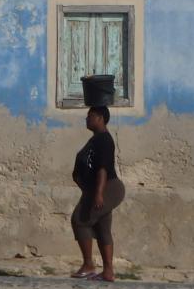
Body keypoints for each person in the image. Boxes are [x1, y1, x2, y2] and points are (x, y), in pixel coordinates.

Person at [70, 106, 125, 282]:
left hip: (108, 187)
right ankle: (108, 272)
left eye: (90, 116)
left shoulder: (104, 140)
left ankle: (88, 265)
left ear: (100, 118)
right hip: (98, 188)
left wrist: (99, 194)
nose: (87, 119)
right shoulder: (95, 140)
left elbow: (103, 168)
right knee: (102, 228)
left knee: (80, 219)